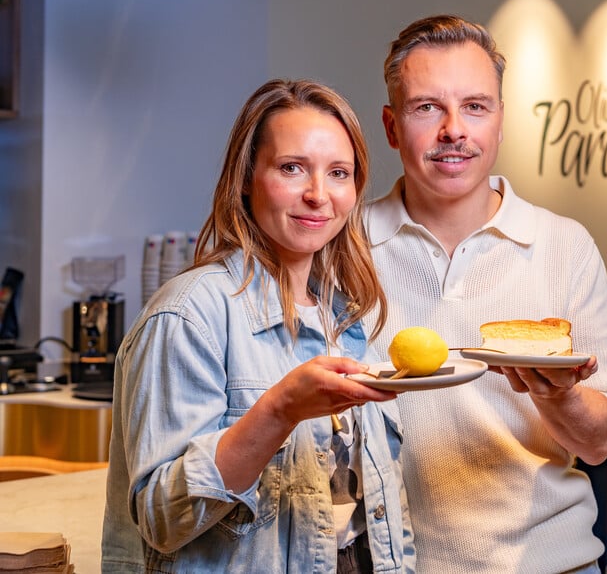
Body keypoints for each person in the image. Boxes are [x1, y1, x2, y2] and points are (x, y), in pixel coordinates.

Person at [101, 79, 415, 573]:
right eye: (292, 168)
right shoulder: (188, 315)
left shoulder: (348, 318)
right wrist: (280, 410)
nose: (318, 195)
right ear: (246, 178)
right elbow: (161, 519)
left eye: (339, 173)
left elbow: (375, 511)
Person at [365, 15, 607, 573]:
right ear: (392, 127)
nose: (453, 129)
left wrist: (557, 395)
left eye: (475, 106)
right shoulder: (346, 247)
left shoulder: (565, 246)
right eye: (427, 107)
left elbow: (598, 443)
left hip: (551, 563)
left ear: (500, 122)